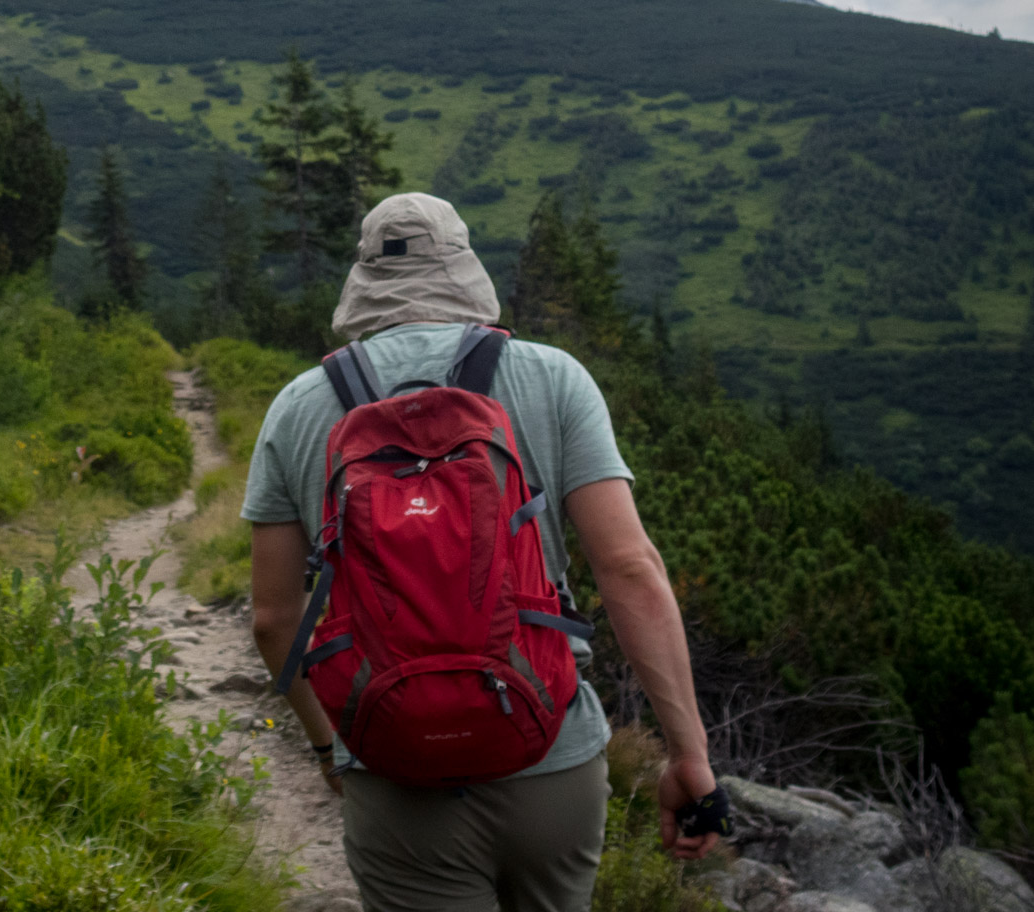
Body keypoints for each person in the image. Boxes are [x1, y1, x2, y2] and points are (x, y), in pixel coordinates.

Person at [242, 192, 720, 912]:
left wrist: (329, 745)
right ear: (464, 269)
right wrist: (689, 756)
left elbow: (275, 618)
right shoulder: (553, 378)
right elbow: (629, 569)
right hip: (549, 758)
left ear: (363, 278)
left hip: (394, 772)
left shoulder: (299, 406)